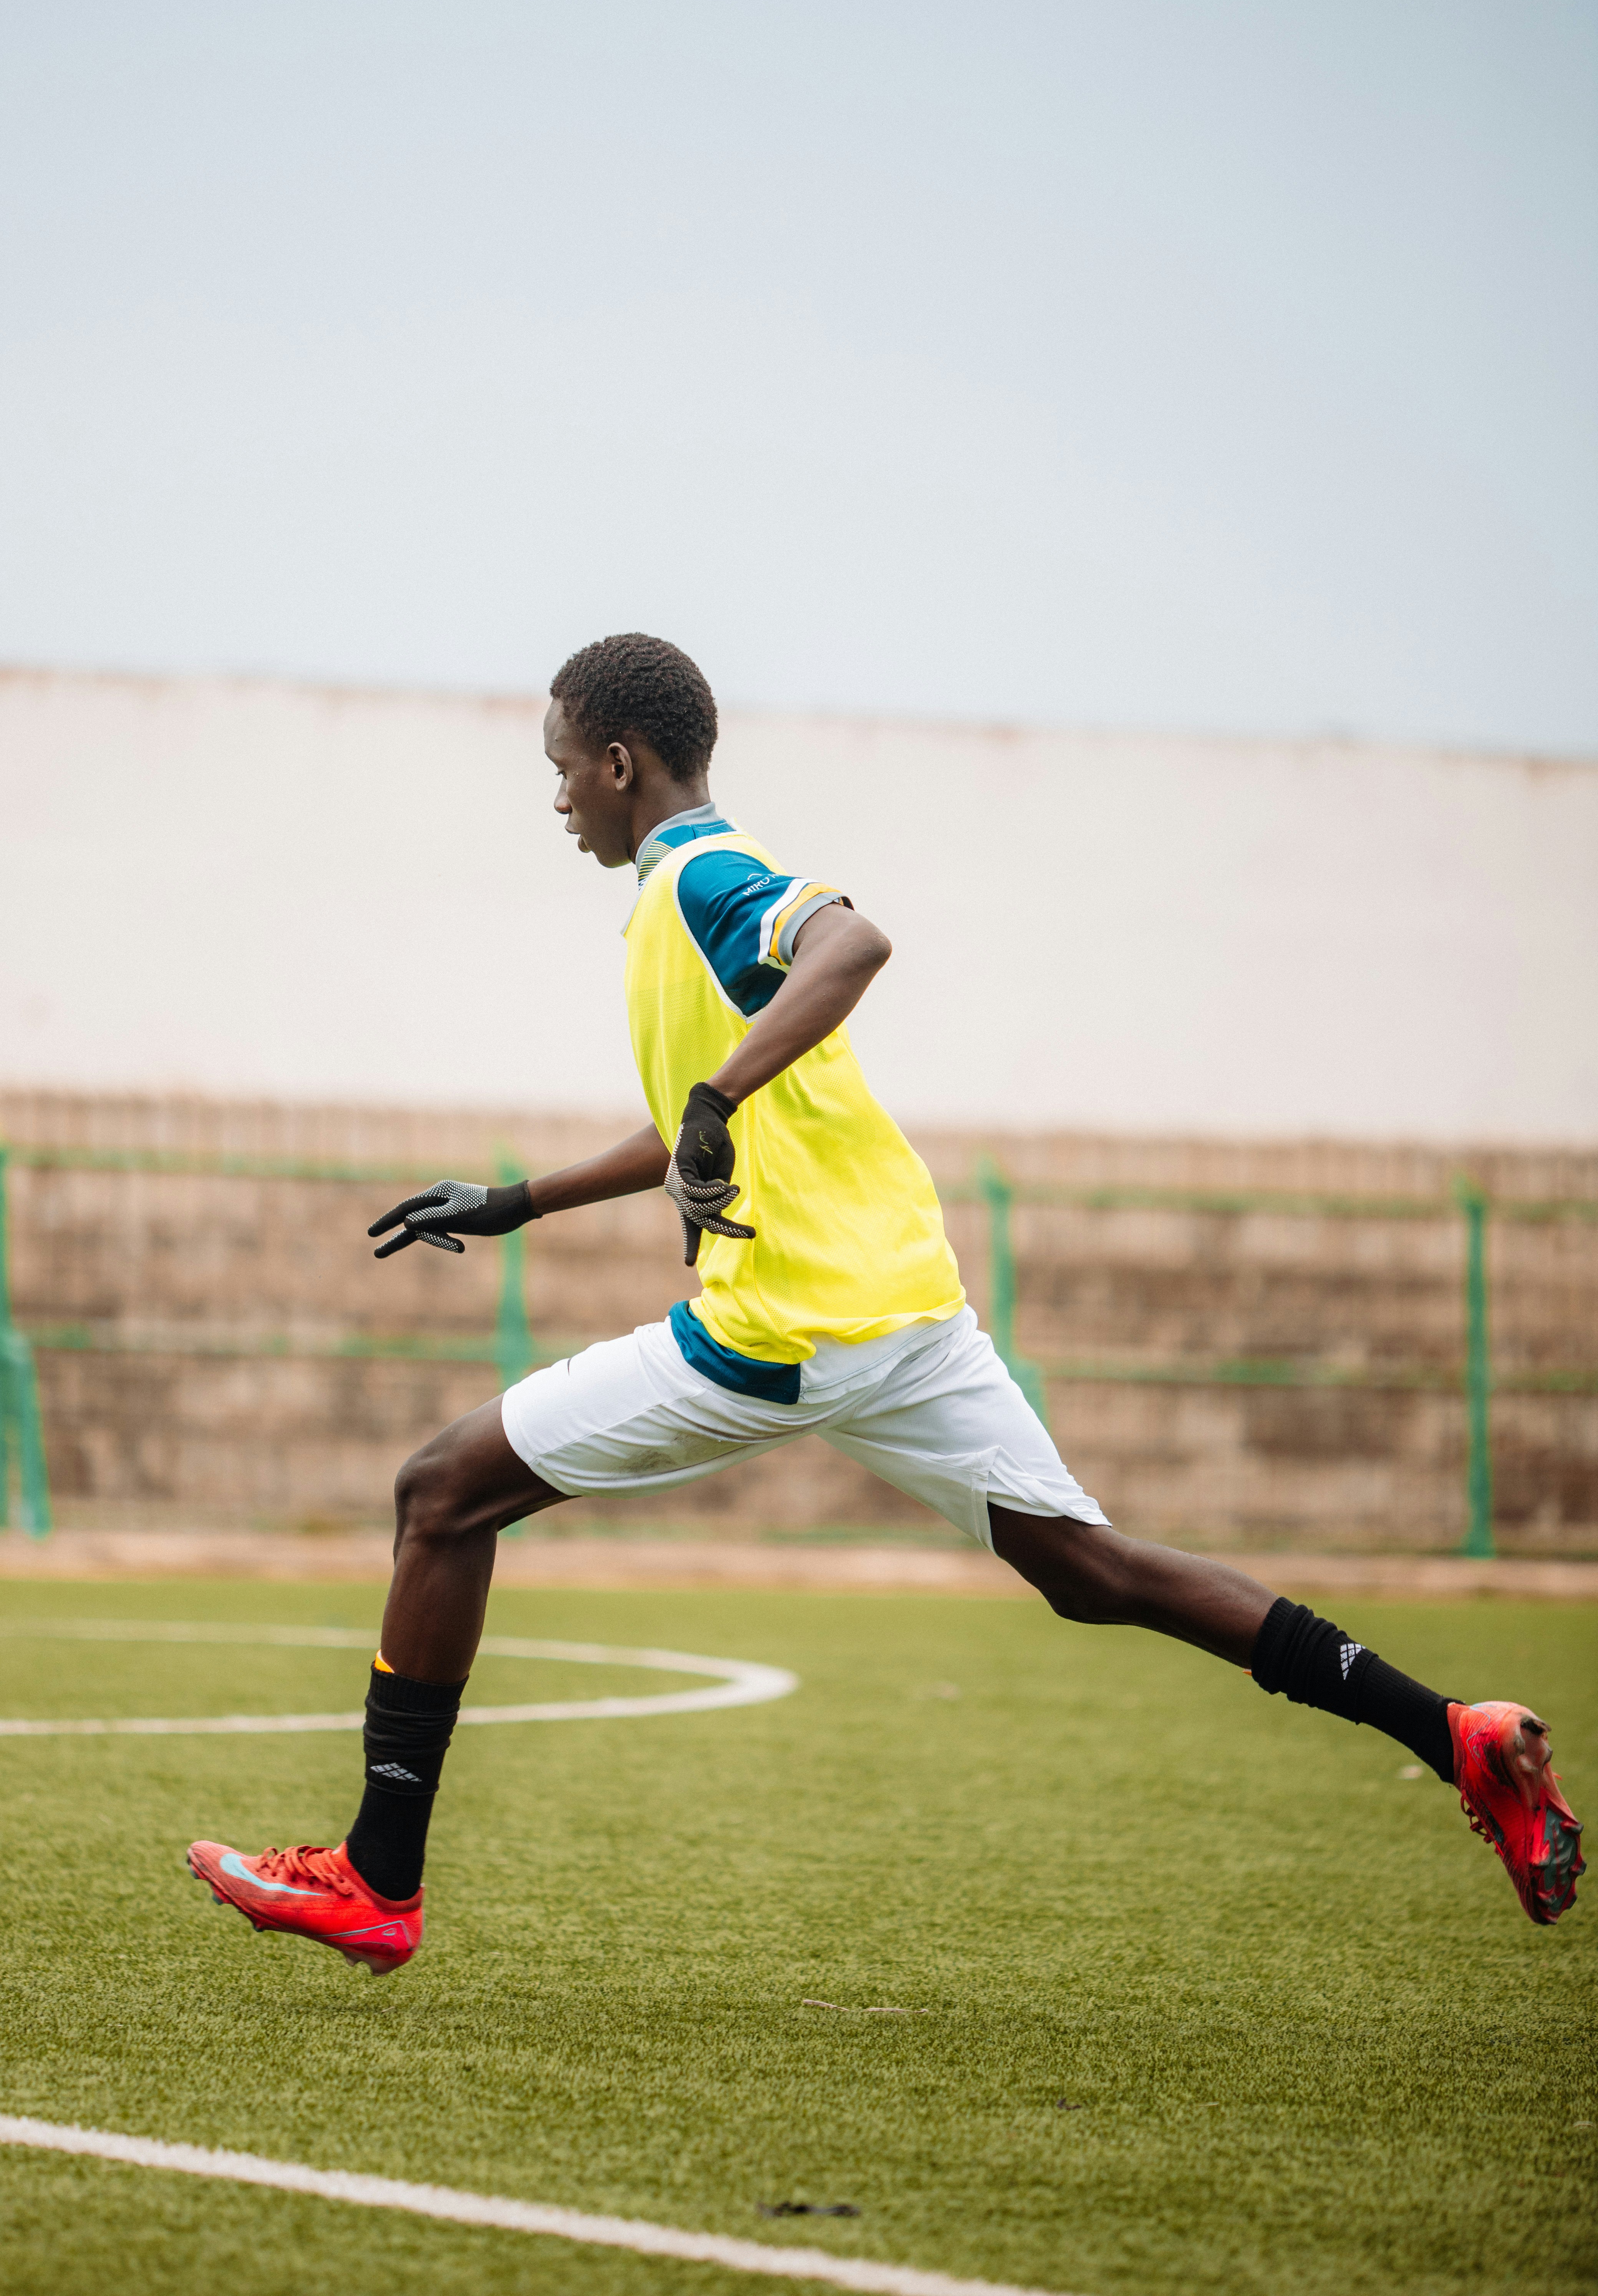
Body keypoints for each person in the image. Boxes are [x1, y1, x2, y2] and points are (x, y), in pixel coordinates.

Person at [187, 633, 1584, 1971]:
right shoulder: (674, 910)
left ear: (619, 763)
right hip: (905, 1310)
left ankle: (378, 1879)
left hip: (782, 1330)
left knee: (442, 1493)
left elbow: (851, 946)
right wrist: (519, 1201)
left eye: (562, 770)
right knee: (1090, 1572)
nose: (555, 799)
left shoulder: (705, 873)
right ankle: (1455, 1732)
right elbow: (694, 1116)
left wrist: (714, 1099)